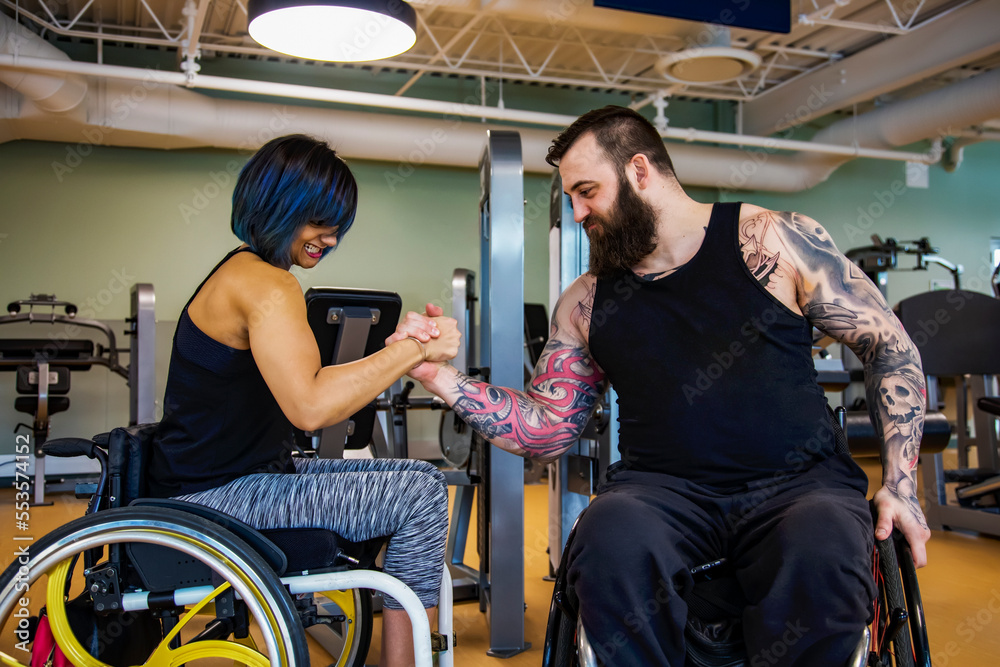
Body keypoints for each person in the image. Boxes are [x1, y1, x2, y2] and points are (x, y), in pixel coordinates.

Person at [390, 106, 930, 666]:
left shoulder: (773, 240)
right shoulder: (585, 302)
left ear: (640, 171)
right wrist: (438, 376)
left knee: (823, 548)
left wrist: (901, 485)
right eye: (571, 197)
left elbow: (890, 347)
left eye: (586, 191)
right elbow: (546, 429)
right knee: (607, 539)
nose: (577, 212)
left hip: (798, 485)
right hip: (662, 493)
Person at [147, 134, 461, 667]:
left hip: (233, 481)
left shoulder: (245, 272)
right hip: (216, 498)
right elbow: (311, 408)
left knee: (426, 482)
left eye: (337, 226)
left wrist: (398, 350)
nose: (330, 239)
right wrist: (415, 350)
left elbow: (308, 380)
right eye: (319, 222)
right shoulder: (267, 286)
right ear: (279, 205)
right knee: (420, 497)